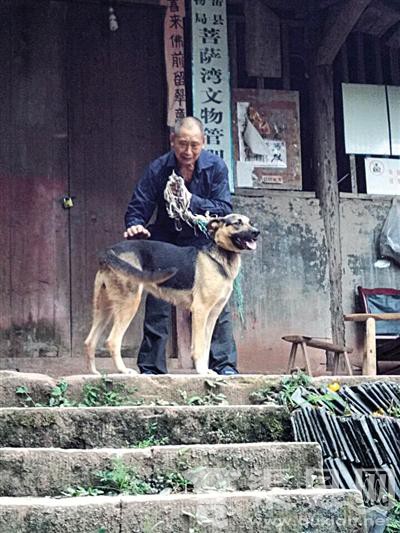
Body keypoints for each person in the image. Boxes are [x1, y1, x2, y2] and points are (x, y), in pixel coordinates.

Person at [124, 116, 238, 375]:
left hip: (201, 239)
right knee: (157, 301)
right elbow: (138, 206)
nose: (188, 151)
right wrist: (135, 224)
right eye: (182, 144)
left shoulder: (216, 167)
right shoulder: (159, 168)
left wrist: (191, 200)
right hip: (166, 238)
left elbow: (223, 209)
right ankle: (152, 368)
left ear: (204, 143)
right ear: (172, 141)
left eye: (194, 145)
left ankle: (224, 366)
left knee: (215, 302)